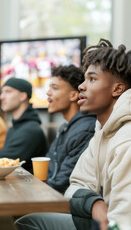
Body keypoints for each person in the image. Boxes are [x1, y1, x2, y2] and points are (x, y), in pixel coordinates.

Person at [15, 39, 131, 230]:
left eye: (92, 79)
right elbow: (74, 186)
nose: (81, 86)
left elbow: (124, 225)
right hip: (102, 222)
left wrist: (93, 207)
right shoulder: (104, 133)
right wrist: (95, 204)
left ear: (117, 89)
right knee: (29, 222)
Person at [45, 64, 96, 194]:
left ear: (74, 95)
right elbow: (49, 168)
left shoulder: (86, 129)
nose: (48, 92)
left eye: (54, 88)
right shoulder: (65, 128)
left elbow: (63, 182)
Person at [0, 77, 47, 173]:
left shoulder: (31, 130)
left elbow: (5, 161)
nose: (1, 97)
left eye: (8, 92)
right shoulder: (15, 127)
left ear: (23, 96)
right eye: (2, 92)